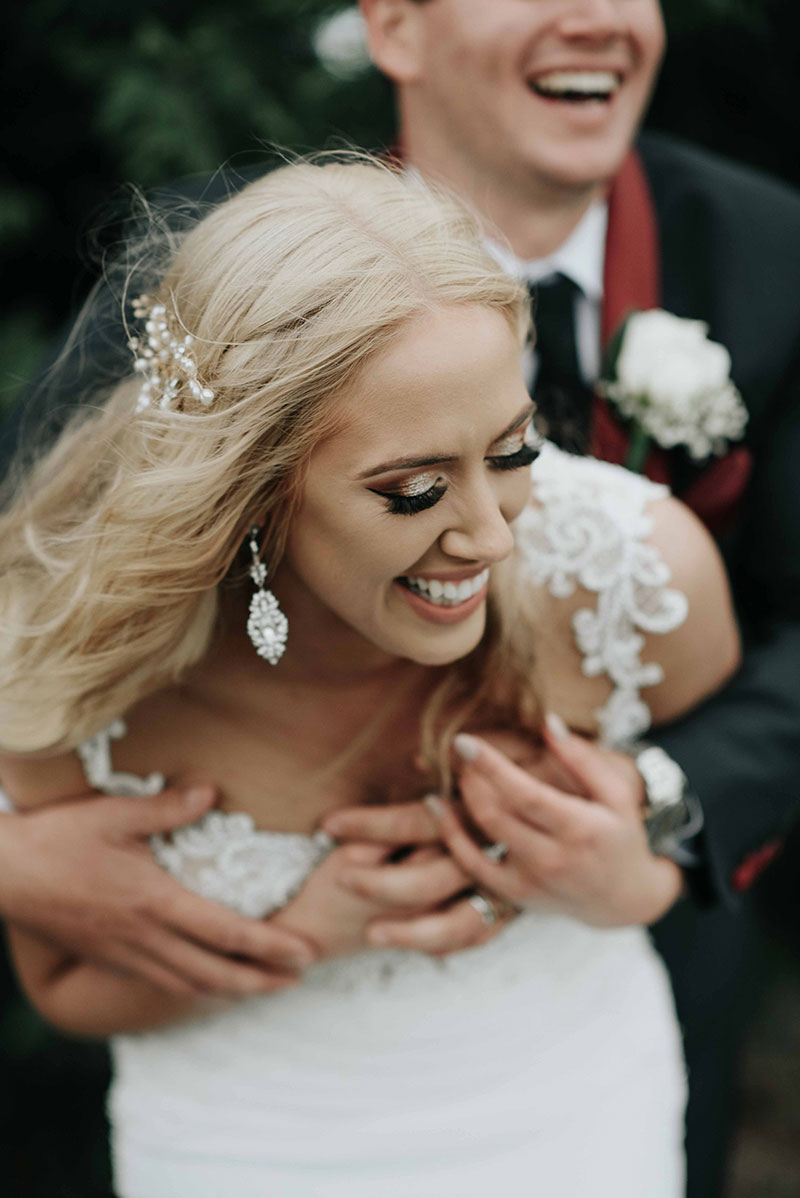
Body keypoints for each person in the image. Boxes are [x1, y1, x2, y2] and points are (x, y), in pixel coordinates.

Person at [0, 157, 739, 1196]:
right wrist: (302, 930)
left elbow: (735, 771)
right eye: (416, 489)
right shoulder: (65, 655)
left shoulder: (629, 571)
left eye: (514, 448)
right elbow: (65, 984)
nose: (488, 533)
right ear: (249, 487)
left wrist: (645, 859)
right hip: (237, 1147)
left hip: (571, 1123)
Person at [349, 2, 800, 1193]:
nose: (598, 17)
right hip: (308, 968)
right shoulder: (225, 255)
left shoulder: (772, 253)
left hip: (641, 951)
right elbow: (39, 562)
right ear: (394, 26)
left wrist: (663, 803)